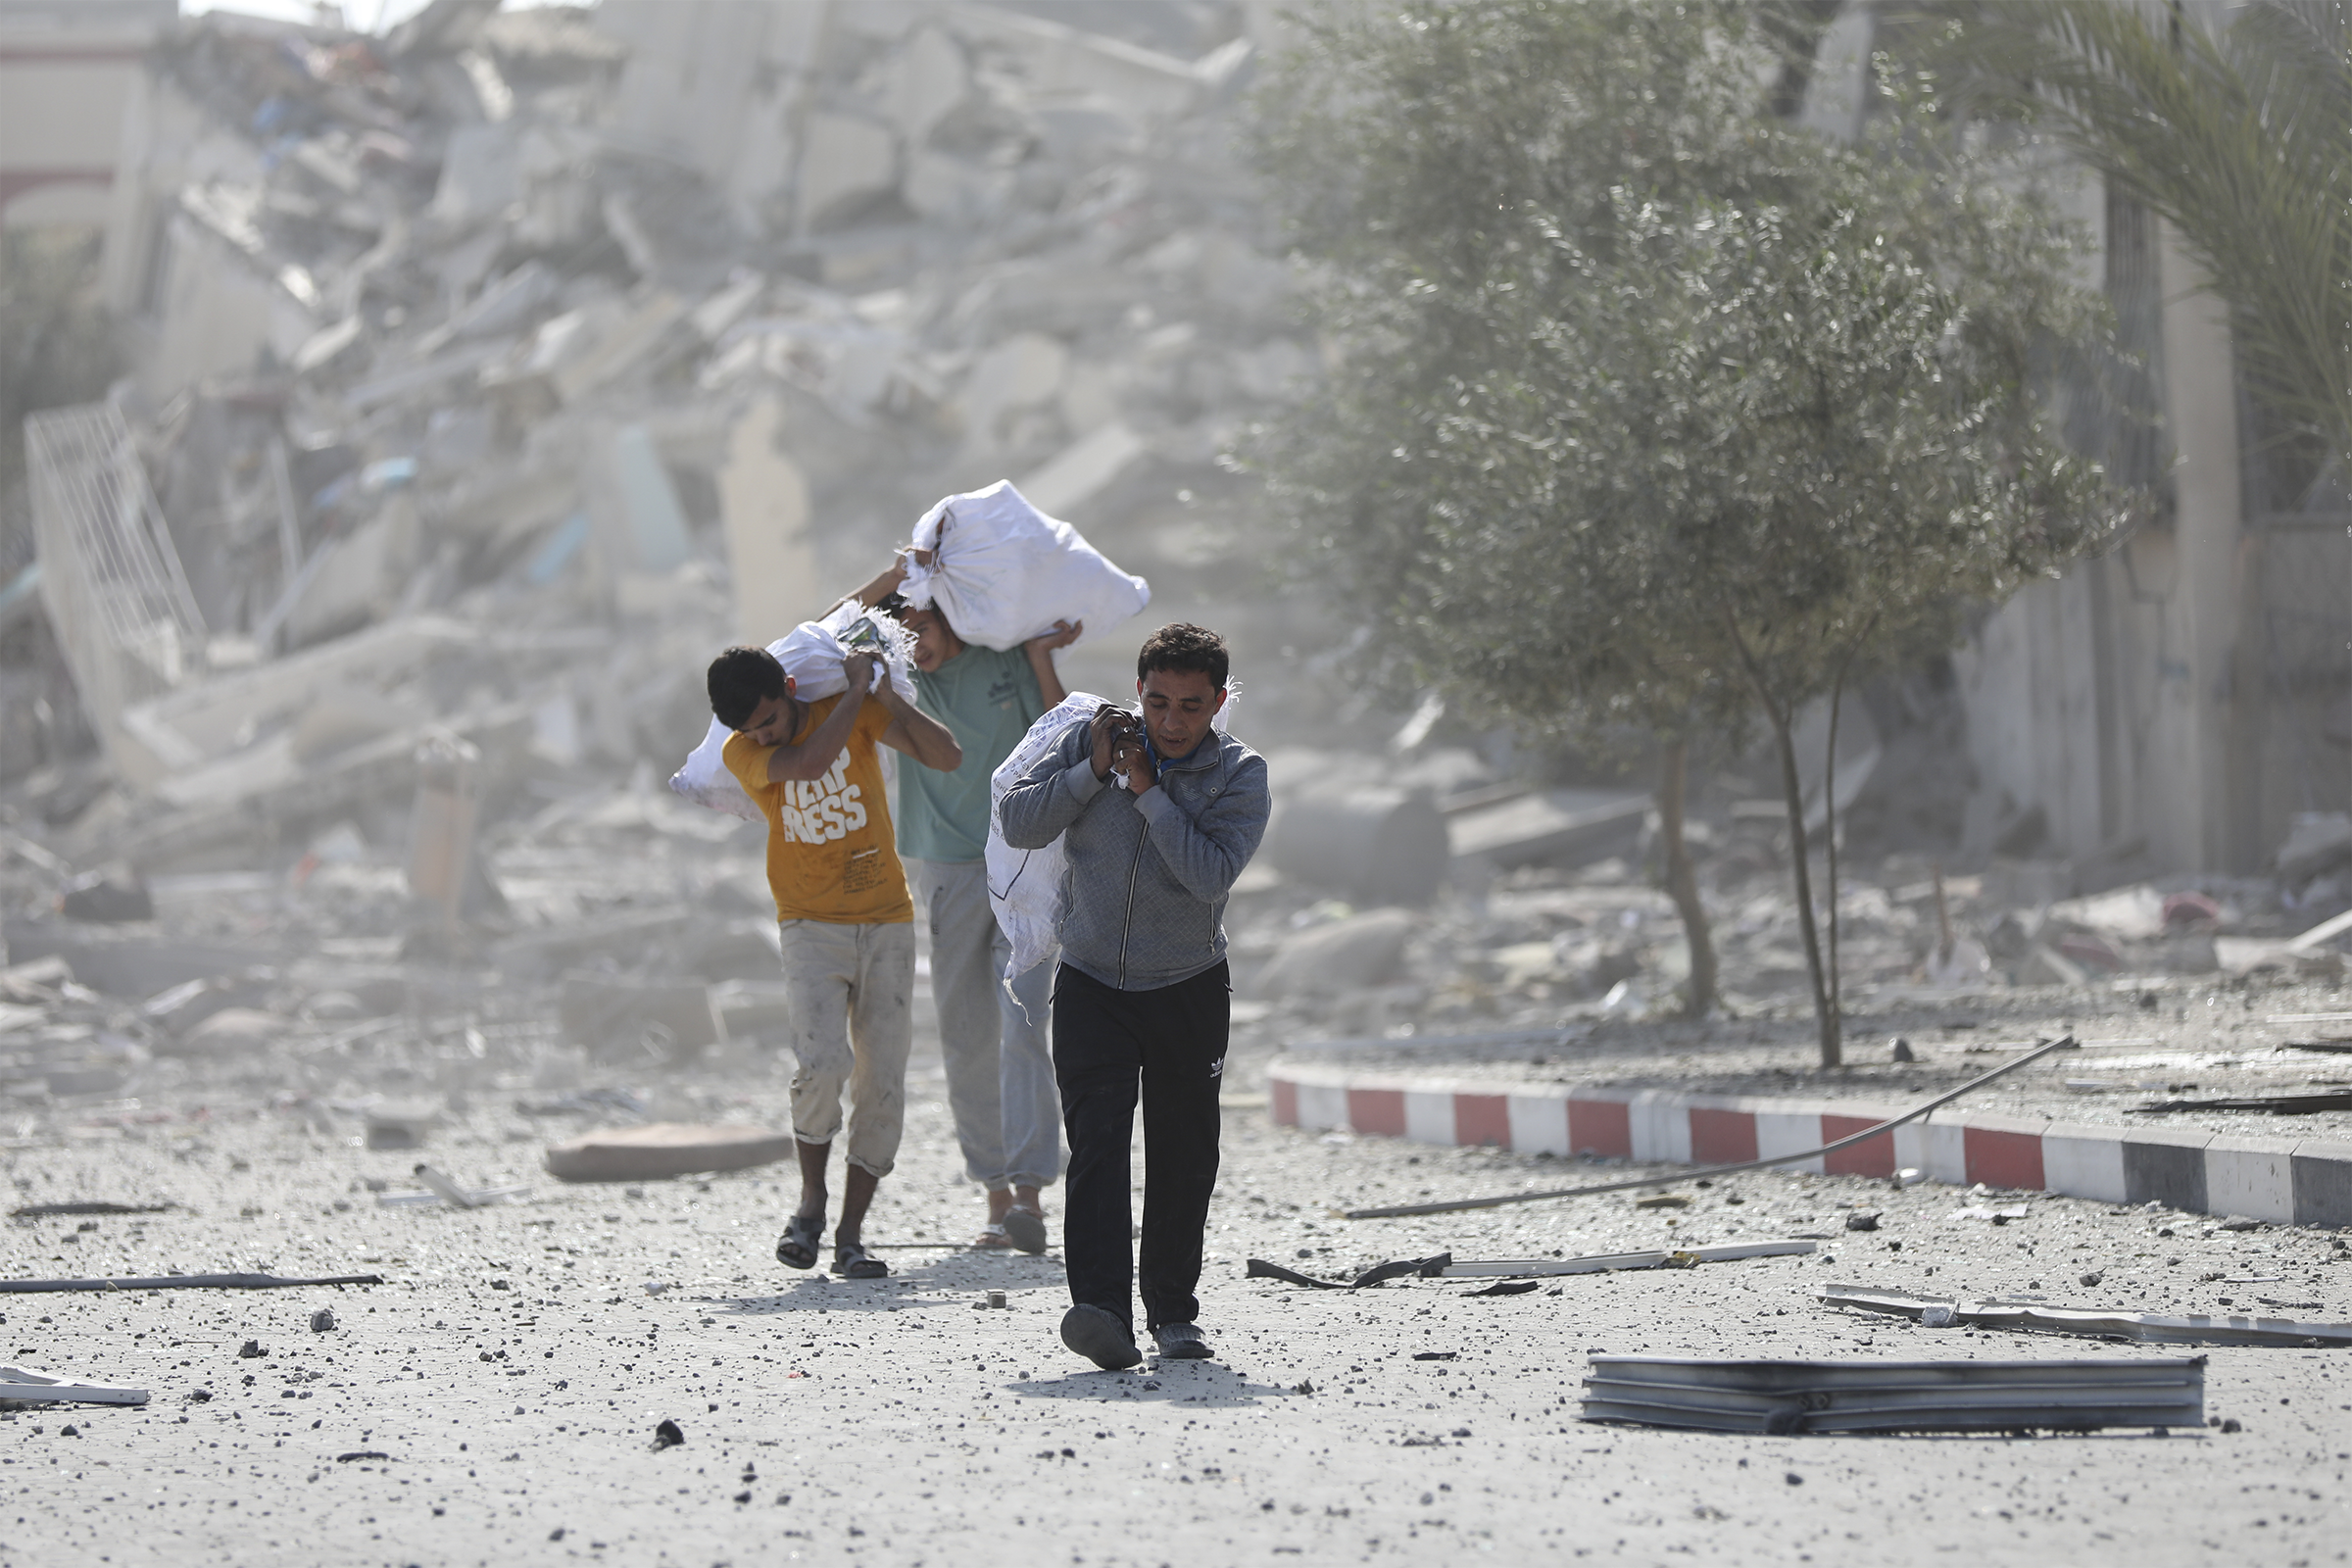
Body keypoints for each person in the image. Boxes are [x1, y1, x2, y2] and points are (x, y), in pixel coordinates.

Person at [997, 623, 1269, 1369]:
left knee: (1184, 1156)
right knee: (1098, 1148)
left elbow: (1210, 875)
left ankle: (1174, 1315)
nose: (1171, 722)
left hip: (1188, 987)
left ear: (1218, 702)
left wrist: (1147, 793)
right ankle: (1101, 1311)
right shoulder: (1095, 741)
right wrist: (1089, 771)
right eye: (1157, 702)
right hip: (1090, 982)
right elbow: (1019, 821)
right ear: (1138, 691)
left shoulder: (1240, 775)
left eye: (1190, 705)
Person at [843, 556, 1081, 1252]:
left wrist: (1039, 654)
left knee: (1024, 1024)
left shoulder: (1000, 659)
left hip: (1027, 861)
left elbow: (1057, 723)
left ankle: (1031, 1194)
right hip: (944, 872)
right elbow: (830, 631)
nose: (915, 638)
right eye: (902, 625)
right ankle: (996, 1197)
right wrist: (894, 574)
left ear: (948, 615)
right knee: (965, 1031)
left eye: (922, 621)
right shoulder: (891, 680)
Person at [705, 636, 961, 1280]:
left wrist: (881, 697)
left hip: (886, 921)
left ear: (788, 692)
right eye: (750, 729)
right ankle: (811, 1204)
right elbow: (813, 764)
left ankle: (850, 1234)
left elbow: (946, 754)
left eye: (767, 720)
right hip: (809, 925)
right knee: (821, 1065)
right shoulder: (745, 752)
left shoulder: (854, 715)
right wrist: (853, 695)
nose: (761, 736)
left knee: (881, 1083)